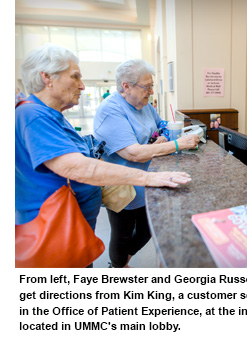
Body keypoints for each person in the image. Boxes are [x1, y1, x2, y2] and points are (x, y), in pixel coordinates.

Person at [16, 44, 192, 263]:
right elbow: (79, 166)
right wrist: (149, 177)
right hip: (53, 229)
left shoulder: (52, 115)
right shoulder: (33, 114)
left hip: (73, 226)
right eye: (75, 77)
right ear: (47, 77)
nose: (82, 86)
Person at [94, 59, 200, 268]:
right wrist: (178, 144)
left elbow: (161, 125)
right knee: (122, 235)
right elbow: (133, 153)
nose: (151, 91)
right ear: (126, 86)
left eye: (152, 86)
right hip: (122, 185)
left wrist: (161, 135)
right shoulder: (110, 110)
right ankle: (118, 267)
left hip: (148, 180)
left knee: (147, 230)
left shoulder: (143, 105)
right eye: (147, 86)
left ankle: (126, 259)